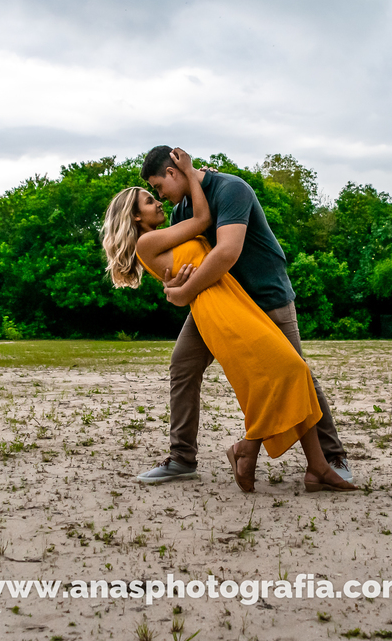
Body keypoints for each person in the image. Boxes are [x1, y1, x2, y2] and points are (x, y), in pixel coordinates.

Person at [101, 149, 354, 493]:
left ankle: (329, 457)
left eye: (158, 186)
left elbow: (225, 252)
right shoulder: (183, 210)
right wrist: (174, 285)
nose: (161, 197)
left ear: (175, 172)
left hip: (266, 296)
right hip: (218, 300)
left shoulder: (231, 189)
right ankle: (182, 458)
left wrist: (182, 291)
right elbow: (180, 259)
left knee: (296, 372)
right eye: (153, 194)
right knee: (183, 365)